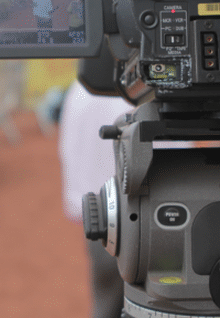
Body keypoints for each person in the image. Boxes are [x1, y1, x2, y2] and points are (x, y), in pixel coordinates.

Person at [58, 77, 131, 318]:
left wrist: (77, 203)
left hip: (99, 217)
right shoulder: (141, 88)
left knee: (106, 303)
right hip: (145, 214)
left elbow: (68, 149)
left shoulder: (79, 90)